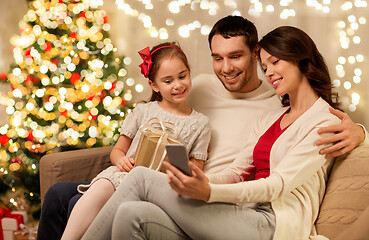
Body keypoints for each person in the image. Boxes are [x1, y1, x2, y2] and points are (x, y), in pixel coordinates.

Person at [36, 15, 367, 240]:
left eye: (274, 63)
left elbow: (277, 185)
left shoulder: (319, 118)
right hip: (223, 201)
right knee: (128, 213)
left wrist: (362, 132)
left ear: (300, 61)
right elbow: (239, 169)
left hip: (273, 222)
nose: (226, 68)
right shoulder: (258, 112)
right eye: (217, 58)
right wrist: (196, 181)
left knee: (139, 180)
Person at [59, 42, 211, 240]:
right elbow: (118, 151)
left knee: (125, 208)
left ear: (189, 72)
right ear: (154, 85)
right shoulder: (144, 111)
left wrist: (180, 163)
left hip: (159, 186)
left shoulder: (200, 123)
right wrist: (120, 160)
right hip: (124, 175)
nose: (178, 85)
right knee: (103, 185)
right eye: (168, 81)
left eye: (182, 76)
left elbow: (196, 168)